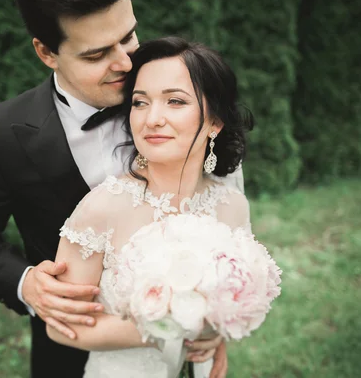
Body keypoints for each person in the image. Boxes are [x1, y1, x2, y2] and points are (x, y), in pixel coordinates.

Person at [0, 0, 242, 377]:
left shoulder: (181, 99)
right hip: (74, 354)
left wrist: (212, 324)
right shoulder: (0, 134)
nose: (125, 63)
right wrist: (25, 282)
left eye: (129, 36)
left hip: (190, 358)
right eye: (97, 54)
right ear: (46, 52)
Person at [46, 36, 254, 378]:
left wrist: (216, 333)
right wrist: (165, 329)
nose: (152, 118)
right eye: (140, 103)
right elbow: (59, 326)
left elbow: (227, 299)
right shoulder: (102, 209)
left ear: (215, 121)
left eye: (174, 101)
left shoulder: (232, 206)